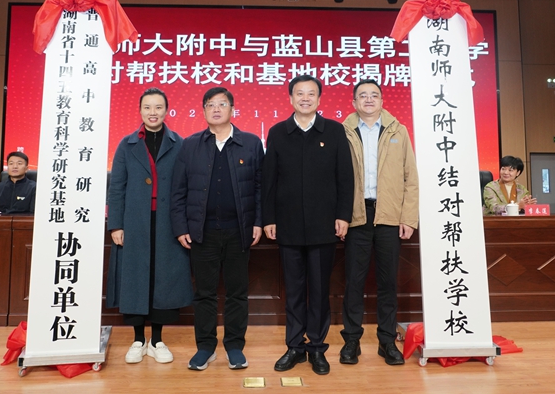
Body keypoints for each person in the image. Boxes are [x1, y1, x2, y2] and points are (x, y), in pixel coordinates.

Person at [262, 75, 354, 376]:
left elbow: (345, 177)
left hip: (324, 225)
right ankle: (294, 346)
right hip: (287, 224)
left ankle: (316, 347)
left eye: (311, 93)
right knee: (294, 290)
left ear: (319, 99)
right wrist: (269, 218)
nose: (305, 98)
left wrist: (343, 215)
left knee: (319, 290)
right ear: (290, 98)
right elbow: (269, 180)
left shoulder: (334, 131)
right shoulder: (278, 132)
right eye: (299, 93)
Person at [170, 87, 265, 371]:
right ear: (203, 111)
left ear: (232, 109)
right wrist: (181, 227)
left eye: (222, 104)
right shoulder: (191, 145)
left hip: (239, 231)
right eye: (210, 104)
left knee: (237, 293)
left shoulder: (250, 143)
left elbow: (260, 188)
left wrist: (258, 221)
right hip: (202, 232)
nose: (216, 109)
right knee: (204, 293)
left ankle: (234, 347)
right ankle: (205, 347)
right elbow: (178, 191)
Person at [106, 88, 192, 365]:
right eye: (147, 107)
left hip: (168, 223)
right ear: (140, 111)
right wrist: (116, 225)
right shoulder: (127, 144)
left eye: (158, 107)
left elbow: (186, 186)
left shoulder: (179, 143)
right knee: (135, 279)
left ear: (166, 111)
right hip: (134, 223)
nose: (153, 112)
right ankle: (137, 339)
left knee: (163, 279)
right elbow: (116, 188)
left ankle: (157, 340)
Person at [339, 79, 418, 366]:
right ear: (354, 102)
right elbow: (333, 178)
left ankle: (387, 342)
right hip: (356, 216)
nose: (369, 99)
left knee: (387, 283)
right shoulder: (343, 132)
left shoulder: (399, 131)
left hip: (389, 216)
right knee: (353, 282)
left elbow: (411, 178)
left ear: (383, 101)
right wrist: (339, 216)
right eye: (363, 95)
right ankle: (351, 341)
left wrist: (408, 217)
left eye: (374, 95)